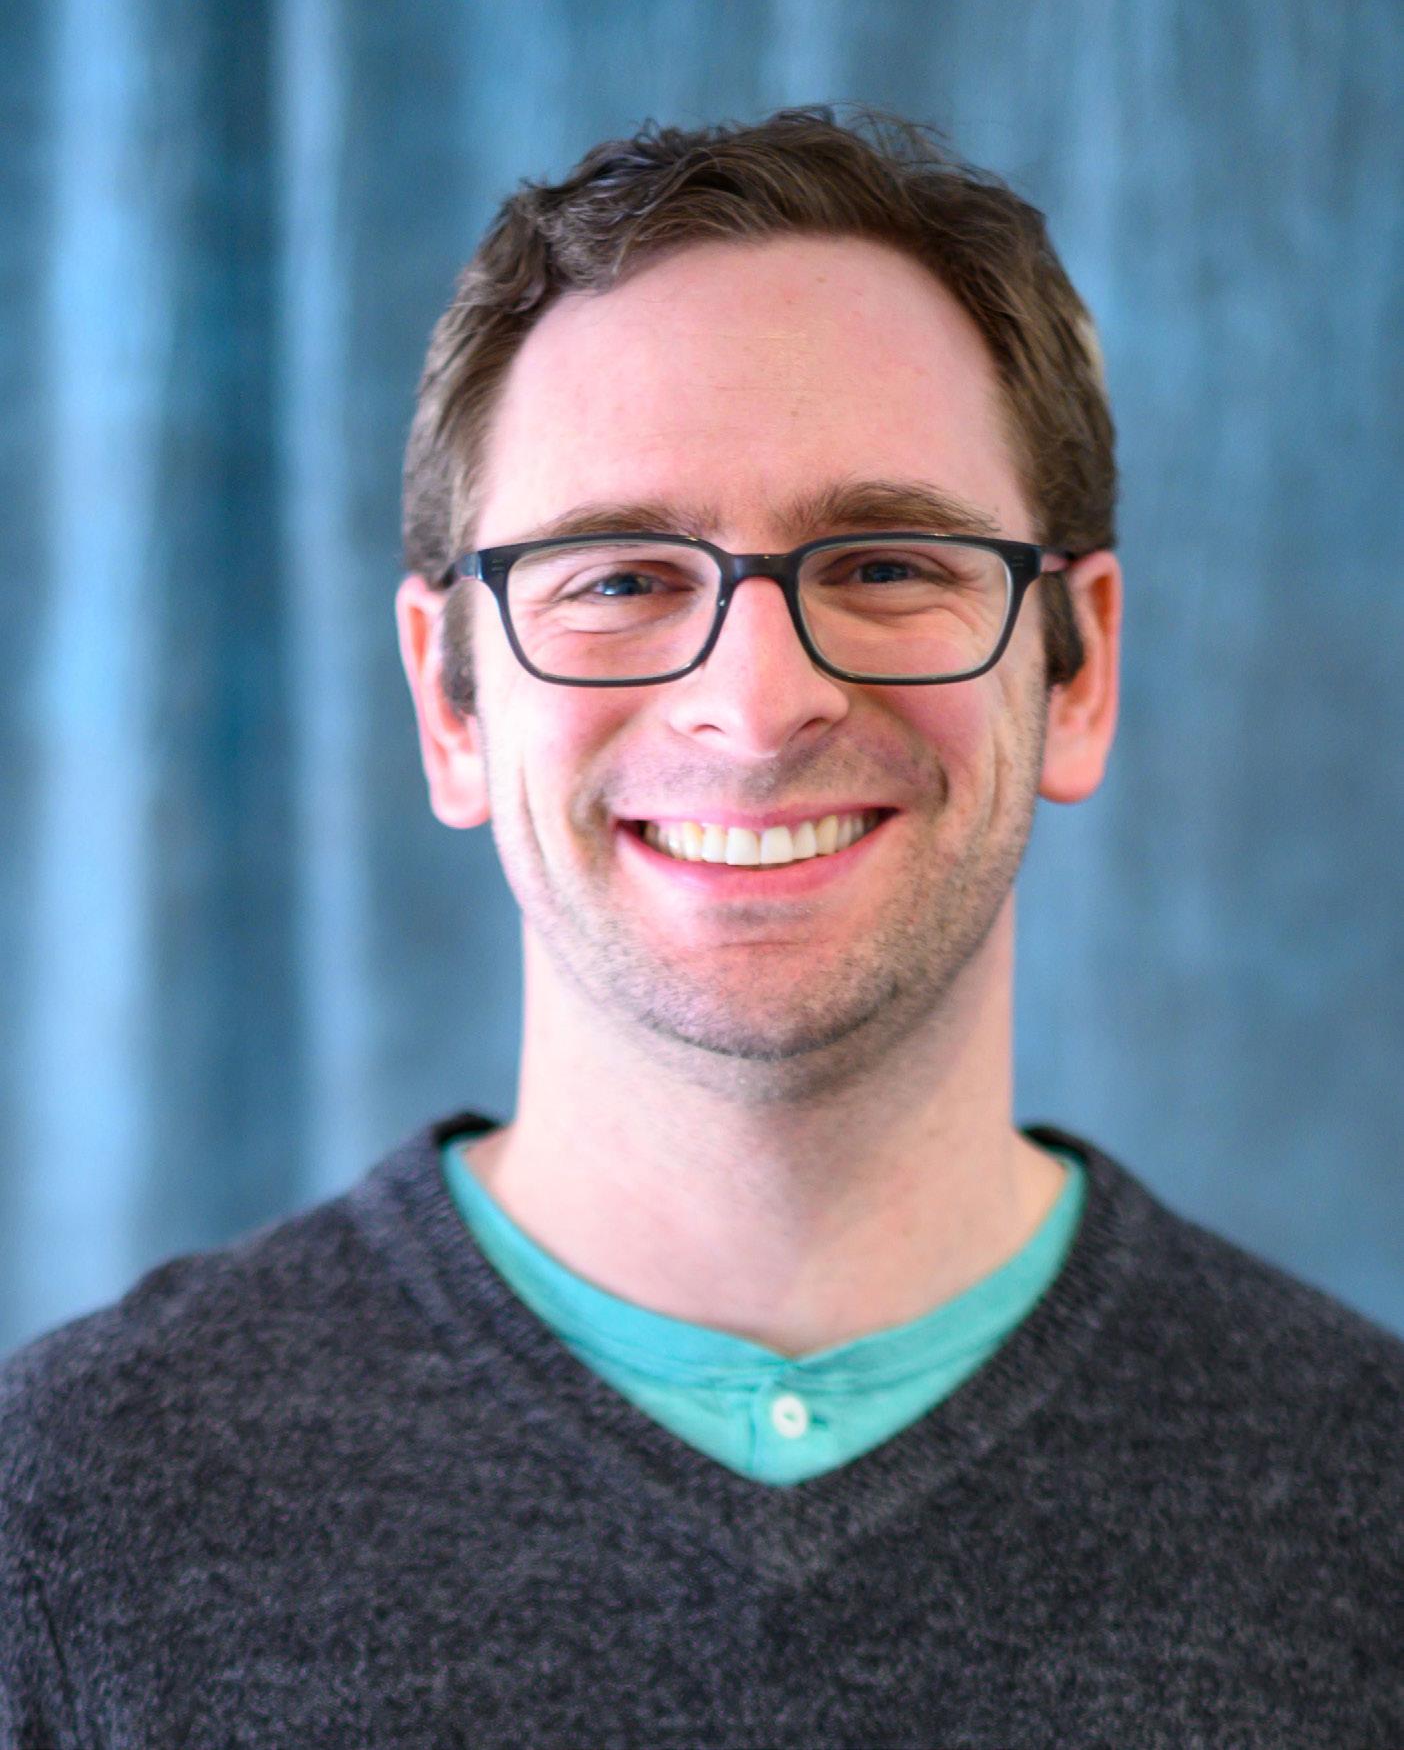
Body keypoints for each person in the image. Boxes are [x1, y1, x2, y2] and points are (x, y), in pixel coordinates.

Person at [2, 107, 1400, 1748]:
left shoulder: (1368, 1509)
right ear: (449, 704)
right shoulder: (62, 1518)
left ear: (1076, 671)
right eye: (617, 579)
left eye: (888, 562)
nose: (755, 703)